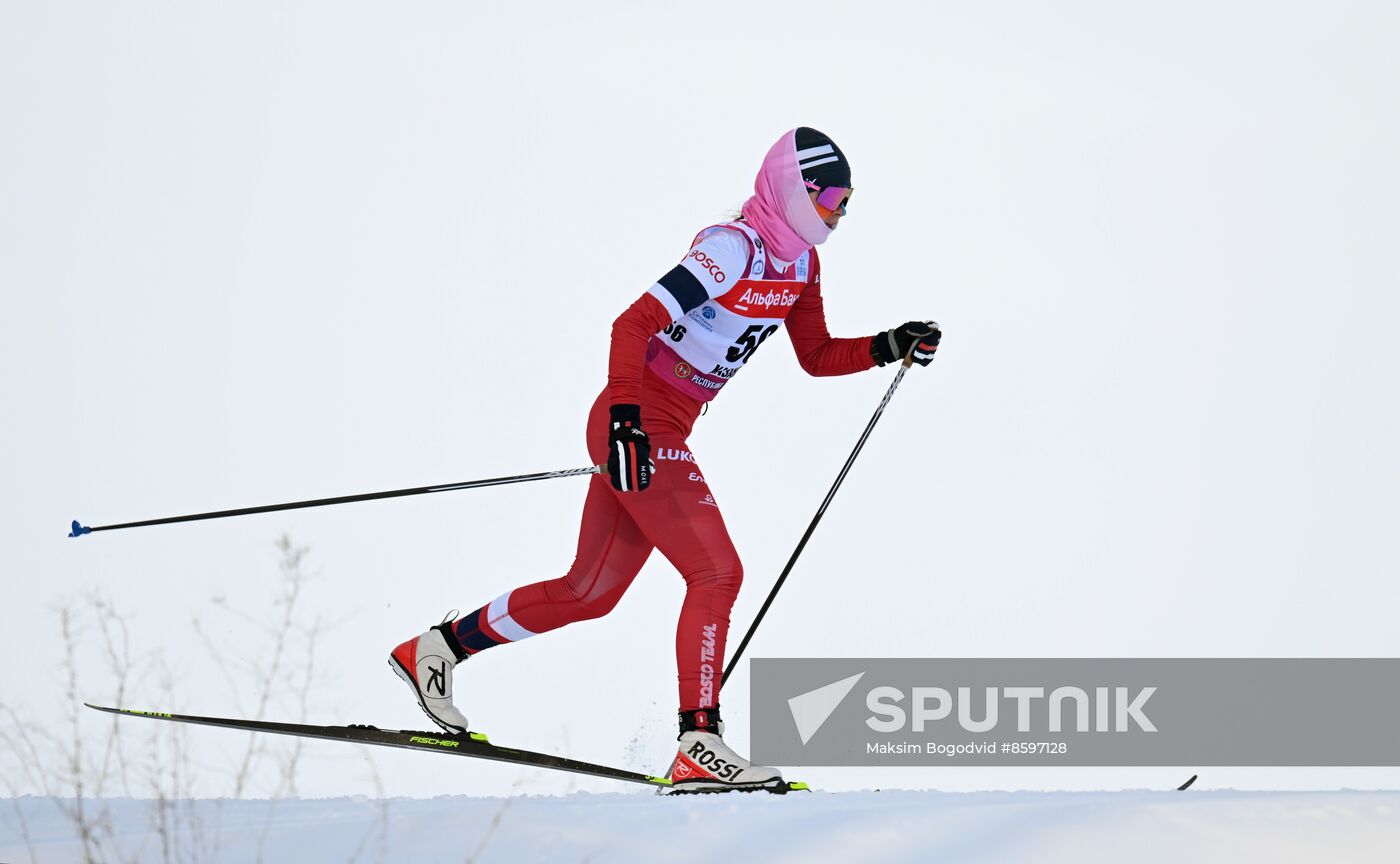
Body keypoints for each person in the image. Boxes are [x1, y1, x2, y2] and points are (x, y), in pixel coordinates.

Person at [389, 127, 941, 793]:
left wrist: (888, 345)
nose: (838, 214)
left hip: (663, 424)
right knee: (717, 572)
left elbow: (817, 354)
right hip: (639, 418)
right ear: (795, 192)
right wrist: (627, 418)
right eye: (830, 198)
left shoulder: (800, 267)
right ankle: (698, 742)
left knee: (588, 592)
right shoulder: (731, 248)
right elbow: (632, 324)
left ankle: (436, 650)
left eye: (847, 203)